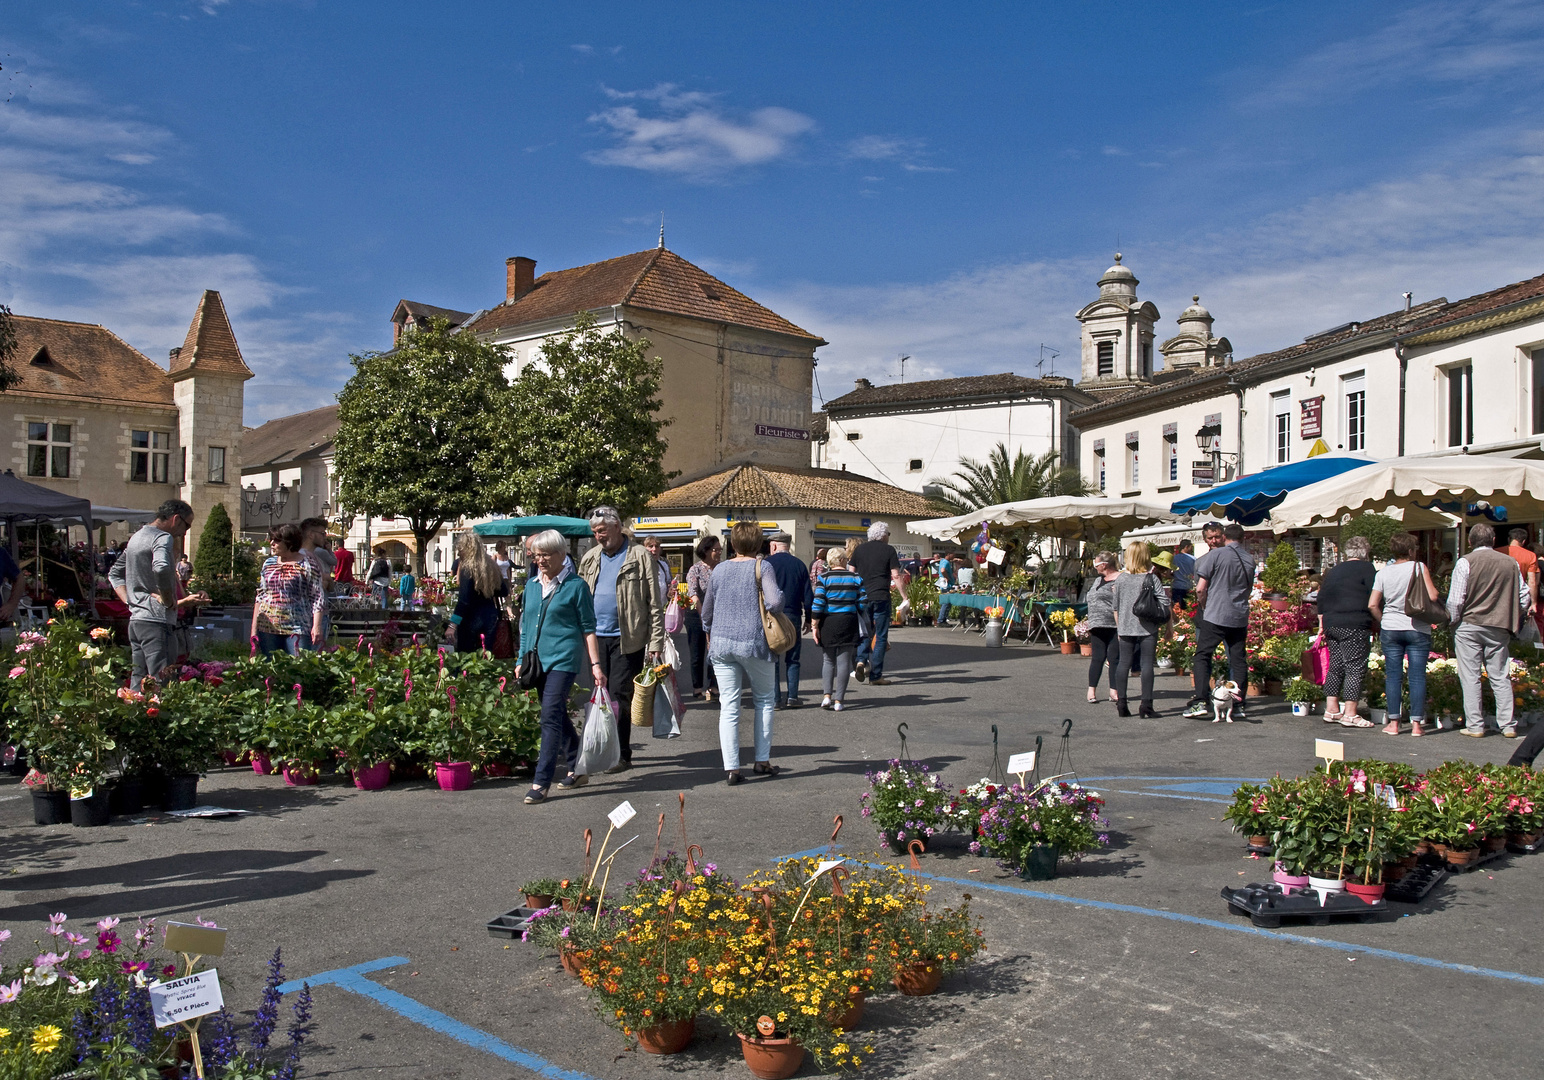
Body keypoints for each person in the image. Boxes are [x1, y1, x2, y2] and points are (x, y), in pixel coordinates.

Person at [516, 528, 604, 804]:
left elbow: (589, 629)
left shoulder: (576, 586)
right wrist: (520, 659)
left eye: (545, 555)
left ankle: (541, 782)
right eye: (536, 555)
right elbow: (525, 627)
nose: (539, 560)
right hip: (536, 661)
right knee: (554, 714)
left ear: (561, 554)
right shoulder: (531, 586)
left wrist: (595, 665)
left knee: (550, 715)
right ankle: (577, 762)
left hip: (564, 660)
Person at [578, 506, 666, 774]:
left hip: (627, 638)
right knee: (599, 694)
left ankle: (621, 754)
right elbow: (580, 598)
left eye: (602, 531)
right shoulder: (591, 558)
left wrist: (656, 643)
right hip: (596, 637)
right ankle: (604, 748)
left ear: (617, 526)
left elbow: (654, 602)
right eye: (594, 533)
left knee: (618, 695)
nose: (598, 537)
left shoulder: (639, 555)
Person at [702, 521, 784, 785]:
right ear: (759, 543)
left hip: (722, 643)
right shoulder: (764, 566)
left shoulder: (719, 569)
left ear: (732, 544)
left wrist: (709, 631)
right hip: (753, 642)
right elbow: (774, 601)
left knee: (729, 705)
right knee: (763, 700)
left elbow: (707, 612)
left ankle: (732, 768)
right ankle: (761, 761)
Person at [1448, 522, 1531, 739]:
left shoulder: (1465, 562)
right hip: (1499, 625)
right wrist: (1511, 613)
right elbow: (1525, 596)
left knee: (1471, 676)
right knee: (1500, 675)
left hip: (1470, 623)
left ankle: (1475, 725)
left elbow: (1456, 601)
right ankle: (1508, 725)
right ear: (1494, 541)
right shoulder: (1510, 562)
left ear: (1469, 541)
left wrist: (1454, 623)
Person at [109, 499, 195, 688]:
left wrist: (130, 601)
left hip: (137, 621)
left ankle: (133, 715)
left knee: (137, 679)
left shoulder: (137, 537)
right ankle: (160, 717)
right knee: (162, 681)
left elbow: (114, 574)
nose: (185, 532)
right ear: (175, 519)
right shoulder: (162, 537)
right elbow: (162, 568)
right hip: (157, 621)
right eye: (186, 525)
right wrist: (167, 598)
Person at [1368, 532, 1440, 736]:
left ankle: (1394, 723)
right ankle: (1417, 725)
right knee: (1417, 677)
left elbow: (1372, 604)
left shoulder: (1383, 573)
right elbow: (1433, 595)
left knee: (1393, 677)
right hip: (1417, 627)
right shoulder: (1419, 567)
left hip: (1391, 627)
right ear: (1411, 550)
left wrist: (1385, 621)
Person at [1182, 522, 1255, 720]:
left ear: (1224, 537)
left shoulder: (1215, 555)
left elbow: (1200, 588)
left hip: (1216, 614)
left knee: (1203, 655)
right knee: (1237, 659)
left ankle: (1200, 701)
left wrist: (1205, 605)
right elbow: (1248, 589)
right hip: (1239, 615)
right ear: (1243, 538)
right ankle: (1238, 704)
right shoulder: (1249, 559)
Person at [1317, 536, 1376, 728]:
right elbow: (1374, 594)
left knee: (1335, 666)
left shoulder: (1334, 571)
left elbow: (1322, 597)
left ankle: (1331, 709)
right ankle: (1350, 713)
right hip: (1354, 622)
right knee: (1355, 667)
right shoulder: (1367, 569)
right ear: (1365, 552)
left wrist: (1321, 624)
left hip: (1331, 622)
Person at [249, 523, 325, 656]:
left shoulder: (307, 565)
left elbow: (317, 597)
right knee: (270, 669)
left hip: (298, 627)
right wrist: (254, 630)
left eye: (277, 540)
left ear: (289, 543)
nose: (271, 543)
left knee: (298, 668)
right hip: (267, 628)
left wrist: (317, 626)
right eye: (271, 539)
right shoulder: (269, 563)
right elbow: (260, 596)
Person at [1110, 541, 1164, 718]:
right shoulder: (1151, 578)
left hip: (1125, 627)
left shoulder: (1121, 579)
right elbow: (1164, 603)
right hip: (1148, 627)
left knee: (1123, 663)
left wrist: (1119, 628)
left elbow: (1115, 607)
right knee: (1147, 664)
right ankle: (1146, 705)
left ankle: (1122, 703)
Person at [851, 522, 903, 685]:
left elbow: (851, 572)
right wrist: (904, 596)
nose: (888, 536)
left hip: (862, 597)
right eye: (888, 533)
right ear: (883, 535)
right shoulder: (889, 550)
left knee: (864, 632)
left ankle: (861, 660)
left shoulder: (859, 550)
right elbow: (895, 575)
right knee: (880, 636)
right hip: (881, 596)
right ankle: (876, 676)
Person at [812, 548, 863, 711]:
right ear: (841, 560)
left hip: (828, 622)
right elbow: (863, 602)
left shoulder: (824, 578)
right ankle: (839, 701)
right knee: (844, 662)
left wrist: (814, 624)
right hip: (848, 621)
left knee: (828, 660)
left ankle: (827, 696)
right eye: (846, 559)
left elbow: (818, 602)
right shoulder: (855, 578)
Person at [767, 532, 813, 708]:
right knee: (793, 658)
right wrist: (808, 619)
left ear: (773, 546)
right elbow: (808, 596)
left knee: (773, 658)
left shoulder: (767, 564)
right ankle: (792, 697)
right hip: (793, 615)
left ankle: (775, 699)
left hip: (772, 616)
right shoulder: (800, 565)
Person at [446, 534, 509, 653]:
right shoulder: (491, 566)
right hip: (490, 615)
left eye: (460, 549)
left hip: (471, 617)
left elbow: (464, 600)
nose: (459, 553)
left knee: (467, 657)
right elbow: (503, 591)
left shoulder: (468, 569)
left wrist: (452, 625)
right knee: (486, 655)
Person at [686, 536, 721, 702]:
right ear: (706, 551)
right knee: (697, 652)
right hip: (696, 614)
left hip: (718, 615)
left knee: (715, 651)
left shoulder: (721, 568)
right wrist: (703, 616)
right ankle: (697, 687)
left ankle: (713, 686)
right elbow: (693, 596)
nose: (719, 552)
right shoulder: (696, 569)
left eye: (720, 549)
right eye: (716, 550)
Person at [1084, 551, 1121, 704]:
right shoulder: (1098, 580)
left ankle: (1114, 691)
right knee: (1097, 658)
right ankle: (1091, 690)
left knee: (1114, 658)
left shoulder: (1120, 579)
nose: (1095, 567)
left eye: (1096, 565)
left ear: (1104, 565)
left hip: (1114, 624)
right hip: (1097, 624)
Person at [1171, 539, 1195, 611]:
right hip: (1188, 587)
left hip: (1176, 586)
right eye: (1191, 547)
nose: (1191, 549)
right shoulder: (1193, 559)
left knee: (1176, 609)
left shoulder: (1174, 558)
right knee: (1187, 610)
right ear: (1186, 547)